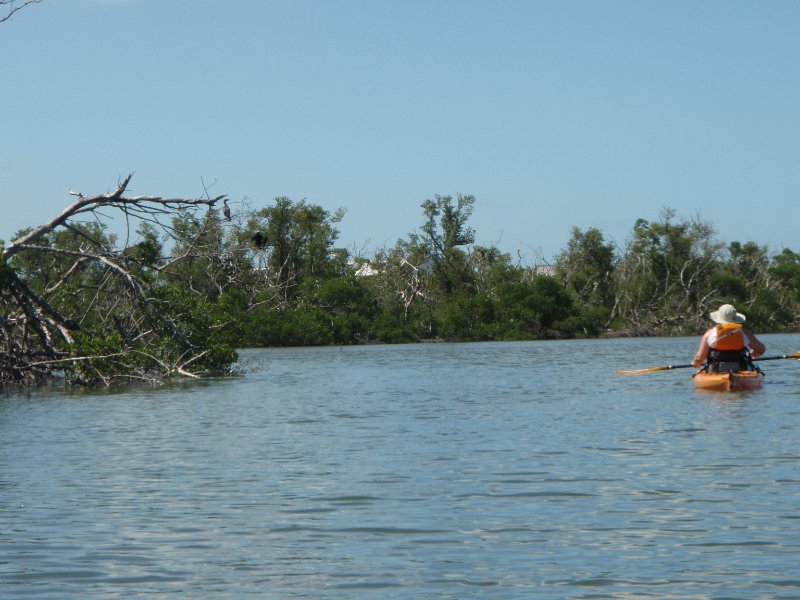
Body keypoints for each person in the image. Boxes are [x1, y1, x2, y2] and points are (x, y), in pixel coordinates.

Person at [691, 303, 766, 372]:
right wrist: (754, 353)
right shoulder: (744, 333)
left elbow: (699, 358)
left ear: (719, 319)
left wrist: (695, 363)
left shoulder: (709, 334)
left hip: (716, 370)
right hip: (740, 369)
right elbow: (761, 349)